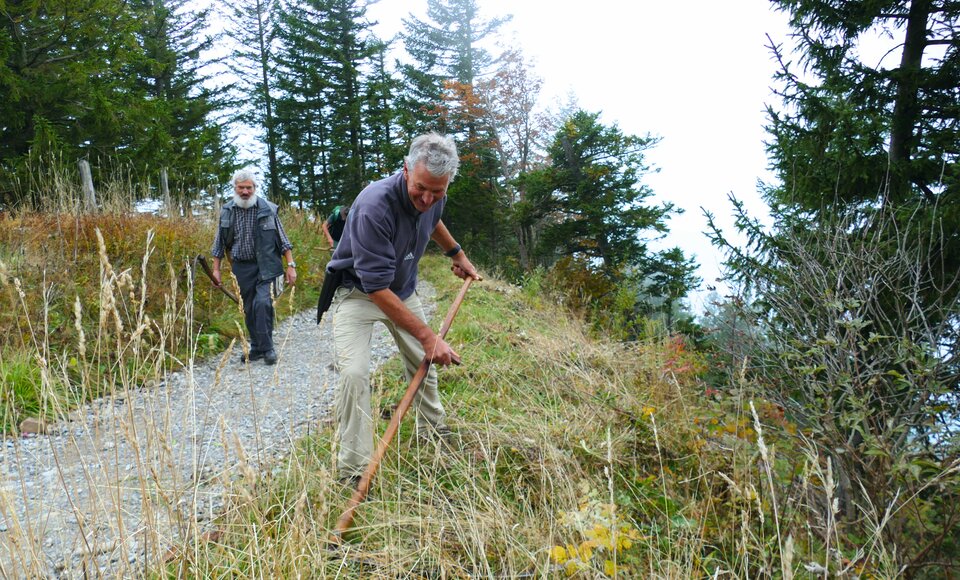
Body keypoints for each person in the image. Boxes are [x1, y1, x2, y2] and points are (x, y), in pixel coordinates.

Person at [325, 133, 480, 486]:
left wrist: (457, 254)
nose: (427, 199)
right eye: (421, 189)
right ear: (406, 171)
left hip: (403, 289)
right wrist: (428, 337)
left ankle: (434, 432)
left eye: (437, 192)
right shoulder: (373, 206)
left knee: (423, 365)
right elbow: (376, 287)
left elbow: (434, 220)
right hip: (359, 293)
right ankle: (352, 469)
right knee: (355, 373)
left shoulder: (435, 194)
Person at [210, 169, 297, 366]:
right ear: (235, 189)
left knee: (263, 304)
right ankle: (257, 347)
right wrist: (216, 270)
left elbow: (283, 241)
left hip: (267, 266)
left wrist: (291, 266)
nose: (245, 192)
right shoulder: (227, 211)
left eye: (249, 187)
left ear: (255, 188)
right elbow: (219, 244)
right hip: (242, 268)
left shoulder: (268, 209)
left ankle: (268, 348)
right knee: (248, 308)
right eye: (241, 188)